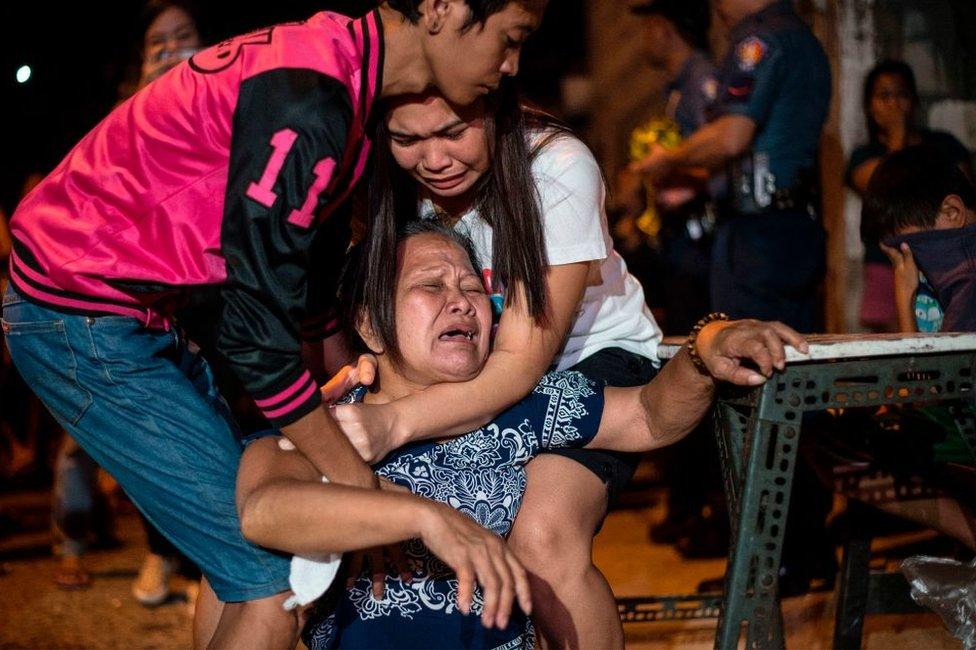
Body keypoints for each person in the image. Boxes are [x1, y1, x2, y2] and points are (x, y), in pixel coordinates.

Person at [1, 2, 547, 647]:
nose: (511, 65)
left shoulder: (340, 71)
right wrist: (365, 492)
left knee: (240, 560)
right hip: (77, 313)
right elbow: (255, 338)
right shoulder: (312, 99)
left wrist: (350, 380)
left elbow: (307, 286)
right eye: (509, 40)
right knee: (269, 575)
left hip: (125, 310)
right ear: (442, 9)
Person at [235, 221, 807, 649]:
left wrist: (707, 347)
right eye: (430, 286)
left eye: (471, 286)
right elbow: (262, 509)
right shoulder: (329, 426)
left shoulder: (515, 409)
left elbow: (651, 417)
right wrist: (415, 516)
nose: (460, 300)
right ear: (367, 323)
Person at [337, 85, 661, 646]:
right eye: (407, 139)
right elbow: (369, 299)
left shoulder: (555, 168)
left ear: (494, 111)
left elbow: (518, 364)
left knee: (539, 533)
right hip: (469, 369)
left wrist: (389, 422)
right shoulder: (387, 184)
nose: (434, 161)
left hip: (585, 359)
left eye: (453, 133)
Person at [808, 145, 976, 548]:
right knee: (828, 433)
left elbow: (928, 382)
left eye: (907, 251)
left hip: (965, 431)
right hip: (958, 425)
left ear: (951, 214)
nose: (905, 266)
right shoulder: (944, 263)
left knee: (832, 442)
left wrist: (905, 298)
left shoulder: (966, 269)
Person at [847, 60, 973, 332]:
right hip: (889, 272)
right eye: (884, 96)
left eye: (901, 94)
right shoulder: (863, 156)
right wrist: (905, 293)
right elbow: (887, 189)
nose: (894, 104)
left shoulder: (966, 278)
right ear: (869, 106)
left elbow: (927, 371)